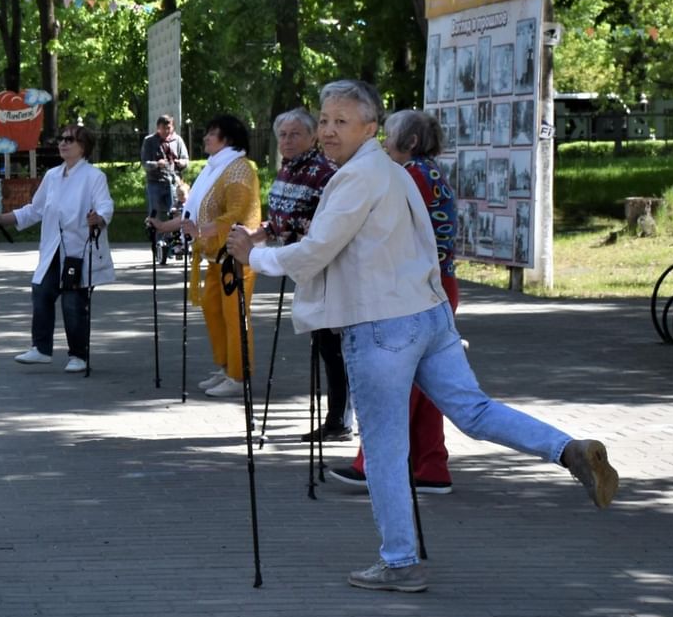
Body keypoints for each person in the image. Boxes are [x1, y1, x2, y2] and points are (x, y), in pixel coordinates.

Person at [229, 80, 618, 593]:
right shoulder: (394, 172)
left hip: (382, 325)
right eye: (324, 119)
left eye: (340, 121)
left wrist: (253, 256)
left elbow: (315, 251)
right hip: (428, 314)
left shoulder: (357, 179)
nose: (327, 130)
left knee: (386, 450)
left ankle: (400, 562)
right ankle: (567, 449)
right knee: (475, 411)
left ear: (371, 127)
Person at [328, 109, 459, 495]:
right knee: (425, 382)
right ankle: (432, 466)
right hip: (436, 284)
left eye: (387, 136)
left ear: (411, 142)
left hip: (414, 288)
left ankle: (374, 463)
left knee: (394, 380)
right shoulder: (429, 172)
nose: (383, 144)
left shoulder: (410, 175)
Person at [147, 115, 261, 397]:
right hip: (214, 256)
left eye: (212, 134)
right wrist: (163, 226)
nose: (205, 138)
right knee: (213, 312)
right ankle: (225, 367)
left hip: (236, 255)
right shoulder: (215, 168)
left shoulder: (239, 171)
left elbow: (234, 215)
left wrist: (202, 230)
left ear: (228, 140)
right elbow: (193, 213)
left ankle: (239, 375)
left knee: (235, 316)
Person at [0, 123, 113, 373]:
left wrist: (98, 217)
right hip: (54, 249)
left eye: (70, 140)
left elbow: (105, 205)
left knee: (73, 302)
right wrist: (3, 218)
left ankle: (79, 355)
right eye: (61, 139)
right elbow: (35, 209)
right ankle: (41, 349)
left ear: (83, 147)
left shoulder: (94, 176)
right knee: (41, 291)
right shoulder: (53, 176)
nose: (63, 143)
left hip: (79, 252)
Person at [260, 108, 345, 442]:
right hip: (297, 261)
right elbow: (281, 216)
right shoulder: (287, 169)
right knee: (322, 341)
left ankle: (339, 417)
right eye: (282, 134)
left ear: (312, 137)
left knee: (331, 343)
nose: (287, 140)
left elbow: (323, 220)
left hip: (323, 265)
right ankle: (337, 416)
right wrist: (263, 232)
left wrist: (293, 233)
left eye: (295, 134)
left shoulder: (324, 170)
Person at [140, 115, 189, 224]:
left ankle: (173, 238)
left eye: (169, 128)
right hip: (155, 182)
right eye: (163, 128)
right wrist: (157, 164)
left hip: (173, 182)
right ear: (158, 128)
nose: (166, 131)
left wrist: (182, 163)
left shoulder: (178, 140)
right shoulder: (149, 141)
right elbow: (144, 163)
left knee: (174, 212)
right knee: (154, 213)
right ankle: (156, 239)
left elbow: (186, 160)